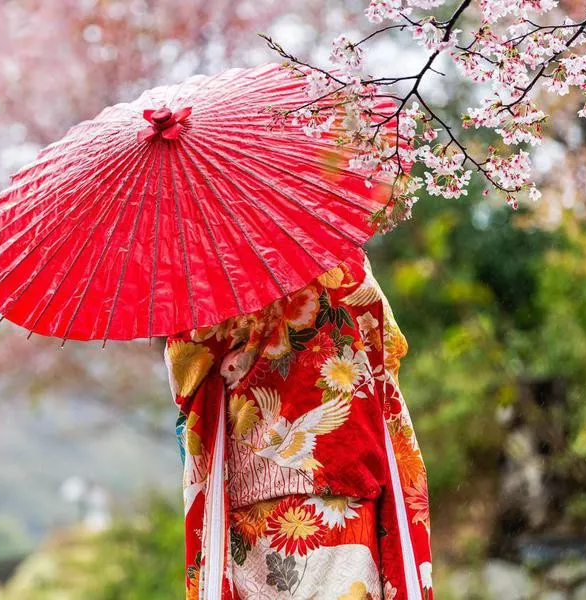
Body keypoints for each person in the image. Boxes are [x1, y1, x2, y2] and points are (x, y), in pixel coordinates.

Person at [164, 246, 433, 600]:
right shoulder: (343, 258)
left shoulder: (218, 267)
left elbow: (187, 365)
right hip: (346, 463)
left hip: (259, 479)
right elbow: (388, 345)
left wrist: (247, 353)